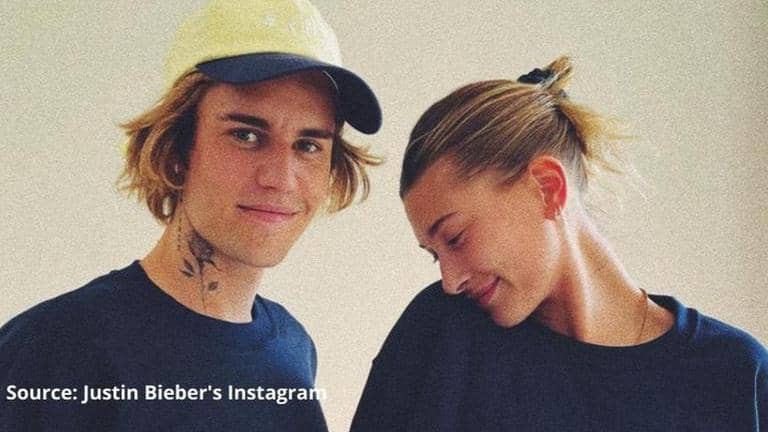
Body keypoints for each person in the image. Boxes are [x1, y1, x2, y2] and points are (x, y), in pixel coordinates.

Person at [0, 0, 380, 430]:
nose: (281, 178)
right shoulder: (57, 348)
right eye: (246, 135)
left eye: (308, 145)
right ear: (177, 150)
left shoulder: (294, 350)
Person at [351, 56, 767, 431]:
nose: (450, 280)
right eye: (434, 255)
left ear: (547, 188)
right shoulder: (441, 336)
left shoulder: (737, 376)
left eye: (455, 238)